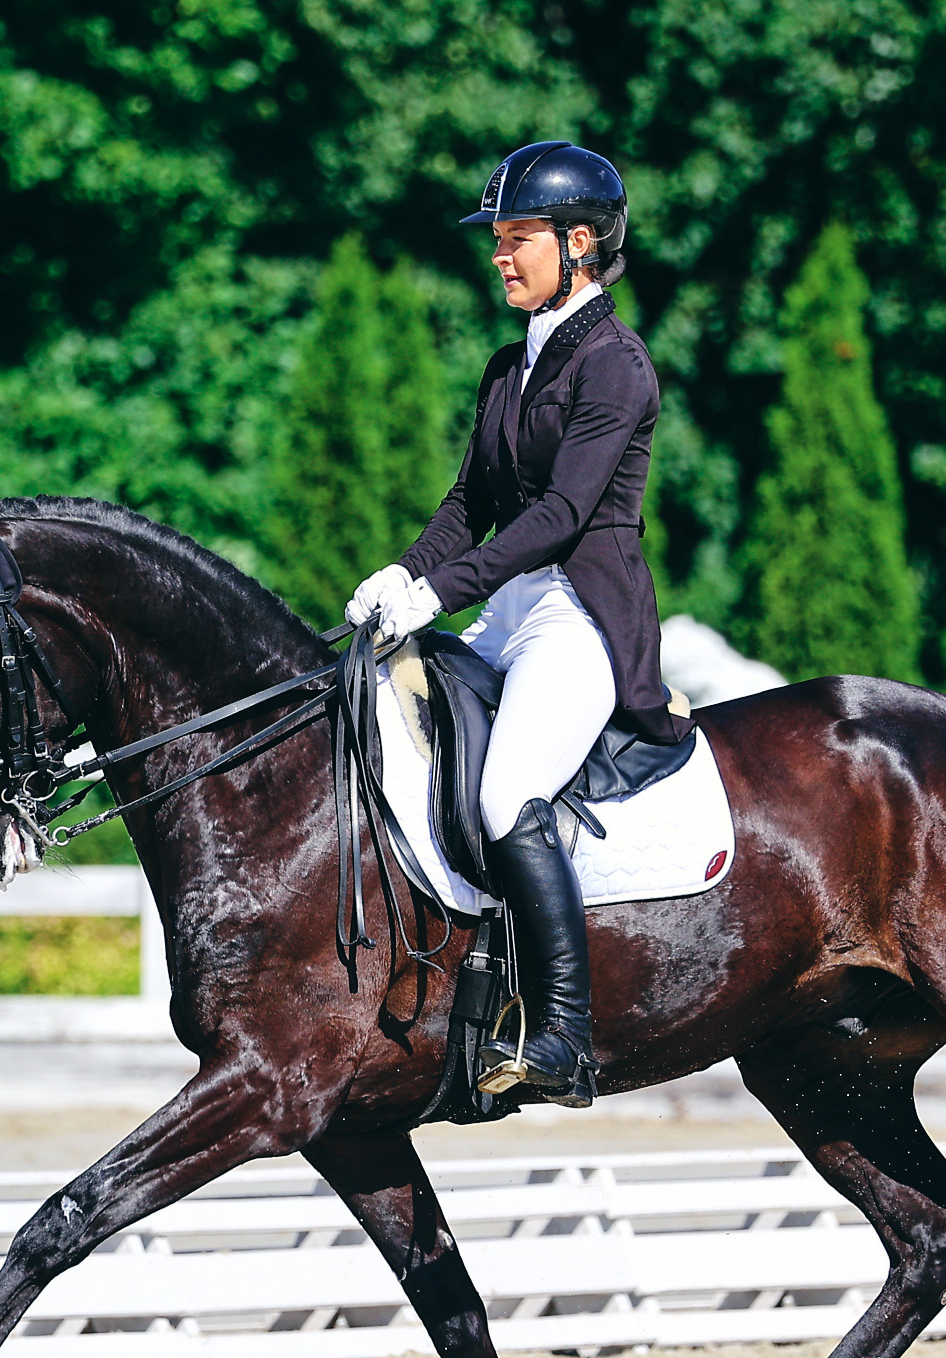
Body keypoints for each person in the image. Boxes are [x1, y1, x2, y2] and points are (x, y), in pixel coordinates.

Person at [344, 140, 692, 1110]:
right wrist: (403, 574)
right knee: (389, 732)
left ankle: (564, 1040)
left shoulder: (617, 365)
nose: (499, 257)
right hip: (512, 604)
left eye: (517, 239)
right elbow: (470, 504)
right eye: (496, 241)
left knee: (504, 797)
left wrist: (440, 593)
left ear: (579, 244)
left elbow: (558, 519)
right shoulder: (510, 365)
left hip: (583, 612)